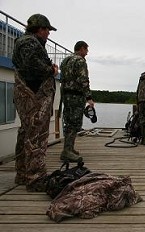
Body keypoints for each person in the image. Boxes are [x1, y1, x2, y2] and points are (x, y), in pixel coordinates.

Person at [12, 14, 59, 191]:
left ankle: (23, 173)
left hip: (29, 95)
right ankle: (34, 177)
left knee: (26, 131)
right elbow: (31, 67)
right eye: (47, 30)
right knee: (36, 134)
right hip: (34, 98)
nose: (49, 34)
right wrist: (51, 70)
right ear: (40, 29)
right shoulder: (28, 42)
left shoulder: (25, 42)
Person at [60, 41, 94, 162]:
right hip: (76, 96)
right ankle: (67, 151)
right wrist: (89, 97)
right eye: (86, 49)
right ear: (81, 49)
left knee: (68, 121)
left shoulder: (66, 60)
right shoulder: (80, 61)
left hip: (66, 95)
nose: (87, 52)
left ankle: (69, 148)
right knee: (74, 123)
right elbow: (83, 79)